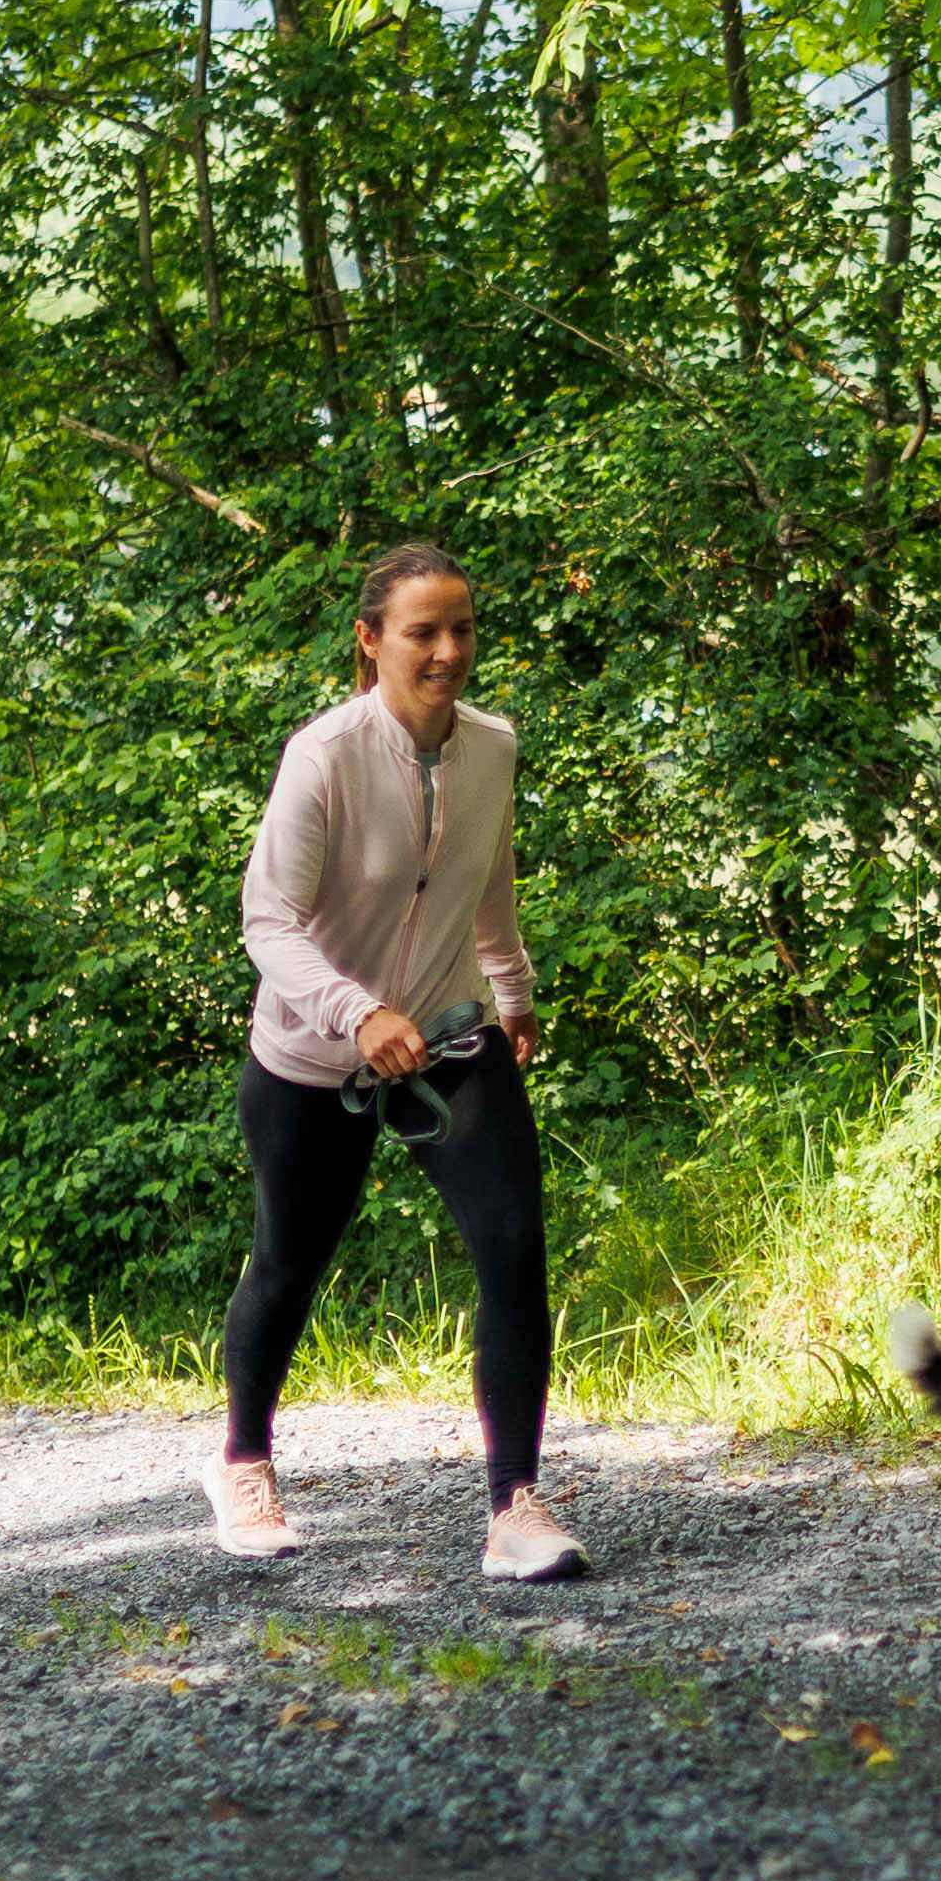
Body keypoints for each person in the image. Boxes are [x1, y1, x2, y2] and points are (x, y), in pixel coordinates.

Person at [212, 540, 589, 1581]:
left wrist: (511, 993)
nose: (449, 650)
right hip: (312, 1054)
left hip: (449, 1036)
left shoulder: (493, 747)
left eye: (463, 628)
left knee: (514, 1246)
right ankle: (244, 1462)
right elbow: (267, 920)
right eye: (424, 631)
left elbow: (485, 878)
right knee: (289, 1262)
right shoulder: (324, 755)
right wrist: (354, 1009)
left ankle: (515, 1505)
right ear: (371, 641)